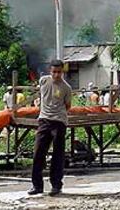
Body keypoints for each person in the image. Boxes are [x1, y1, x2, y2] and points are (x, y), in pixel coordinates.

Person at [28, 59, 72, 196]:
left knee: (58, 155)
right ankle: (37, 185)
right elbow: (39, 95)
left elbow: (68, 106)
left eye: (59, 72)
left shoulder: (66, 88)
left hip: (58, 121)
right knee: (38, 153)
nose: (56, 75)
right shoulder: (43, 81)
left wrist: (58, 114)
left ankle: (56, 185)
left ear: (62, 72)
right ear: (50, 71)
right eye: (54, 72)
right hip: (44, 120)